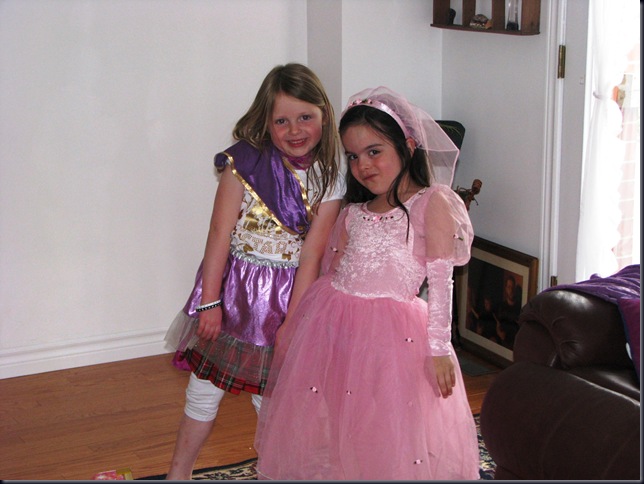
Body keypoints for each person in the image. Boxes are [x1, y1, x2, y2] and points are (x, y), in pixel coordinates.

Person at [254, 86, 480, 480]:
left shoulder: (432, 203)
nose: (363, 165)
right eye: (354, 156)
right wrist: (307, 328)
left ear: (407, 146)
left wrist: (439, 348)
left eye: (374, 151)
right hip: (336, 322)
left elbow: (442, 280)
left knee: (388, 419)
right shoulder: (354, 212)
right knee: (342, 414)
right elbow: (332, 269)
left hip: (395, 337)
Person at [163, 63, 345, 480]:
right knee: (203, 391)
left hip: (287, 301)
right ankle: (178, 474)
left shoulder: (331, 176)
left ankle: (274, 472)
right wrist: (209, 302)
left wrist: (293, 324)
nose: (295, 130)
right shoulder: (244, 163)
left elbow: (312, 256)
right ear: (266, 122)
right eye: (282, 121)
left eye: (305, 117)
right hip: (234, 295)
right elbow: (218, 234)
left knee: (274, 400)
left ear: (324, 114)